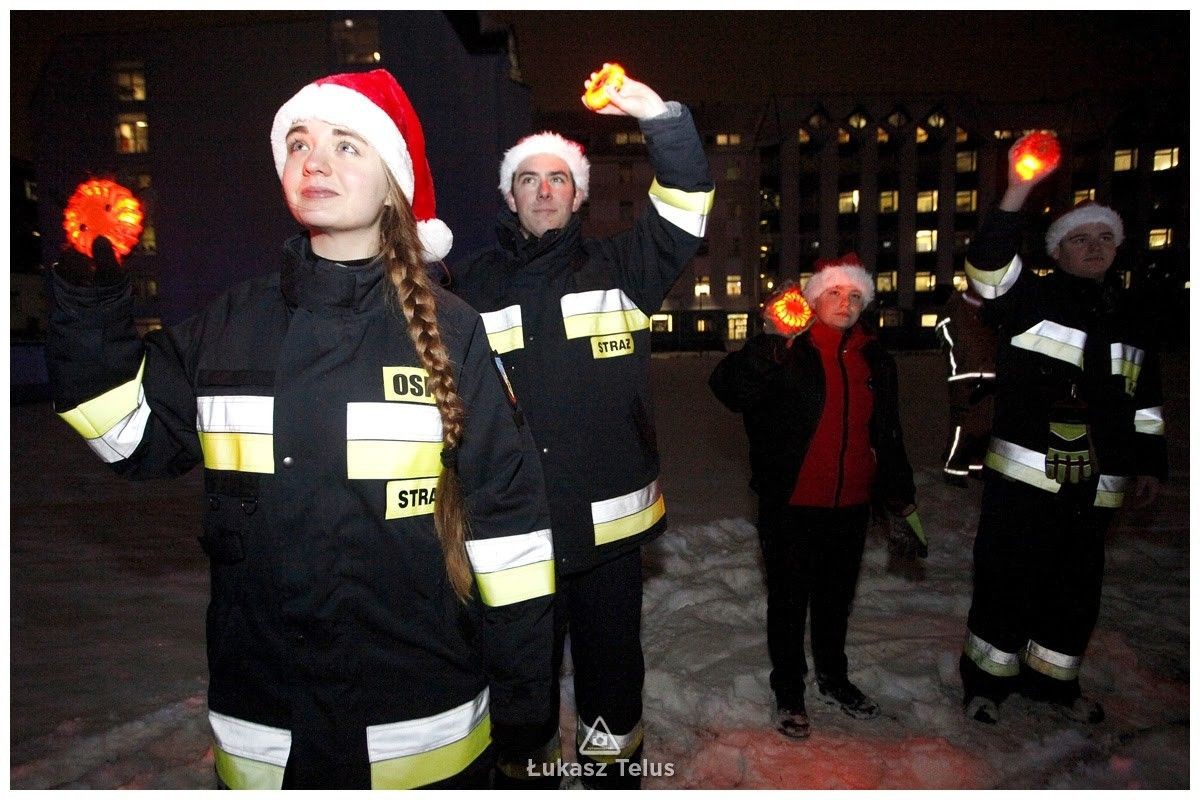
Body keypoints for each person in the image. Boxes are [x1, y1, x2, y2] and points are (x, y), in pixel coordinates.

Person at [46, 69, 556, 789]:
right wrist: (88, 298)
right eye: (298, 142)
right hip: (266, 734)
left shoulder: (454, 332)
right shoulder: (230, 324)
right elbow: (127, 434)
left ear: (393, 186)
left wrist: (526, 705)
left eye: (347, 145)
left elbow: (513, 535)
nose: (313, 160)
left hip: (423, 732)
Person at [449, 74, 713, 787]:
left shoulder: (625, 267)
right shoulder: (466, 287)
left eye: (558, 177)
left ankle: (611, 776)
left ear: (579, 194)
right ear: (509, 196)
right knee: (518, 682)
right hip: (511, 532)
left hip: (608, 534)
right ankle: (525, 776)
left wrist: (659, 117)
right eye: (528, 179)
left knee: (611, 675)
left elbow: (689, 205)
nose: (543, 190)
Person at [958, 133, 1167, 726]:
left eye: (1105, 237)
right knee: (1006, 580)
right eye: (1080, 237)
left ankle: (1052, 686)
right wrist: (1019, 189)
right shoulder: (1033, 297)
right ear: (1058, 251)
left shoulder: (1131, 314)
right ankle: (985, 687)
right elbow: (989, 265)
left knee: (1075, 591)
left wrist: (1151, 464)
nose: (1094, 247)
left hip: (1097, 487)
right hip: (1027, 480)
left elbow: (1145, 401)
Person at [708, 254, 920, 740]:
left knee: (835, 600)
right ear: (812, 300)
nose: (844, 303)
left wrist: (901, 497)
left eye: (854, 296)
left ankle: (834, 678)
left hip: (851, 506)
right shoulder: (787, 350)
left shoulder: (875, 358)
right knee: (788, 600)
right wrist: (770, 341)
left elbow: (888, 433)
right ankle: (789, 691)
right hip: (792, 505)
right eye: (833, 293)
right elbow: (727, 387)